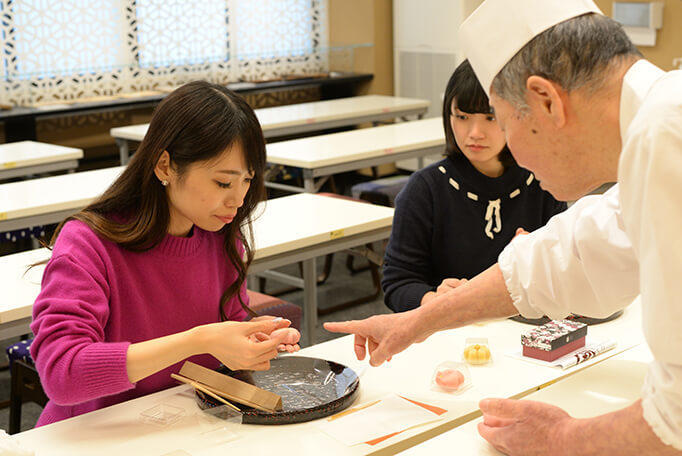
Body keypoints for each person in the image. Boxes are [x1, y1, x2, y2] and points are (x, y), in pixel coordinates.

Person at [325, 1, 682, 454]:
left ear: (546, 101)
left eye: (502, 119)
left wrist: (559, 439)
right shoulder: (659, 124)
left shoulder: (667, 135)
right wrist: (417, 322)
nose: (501, 144)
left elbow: (675, 420)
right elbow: (566, 256)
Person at [30, 81, 300, 426]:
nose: (238, 199)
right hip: (94, 431)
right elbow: (62, 374)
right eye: (223, 183)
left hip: (178, 422)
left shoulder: (220, 235)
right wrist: (199, 340)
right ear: (164, 166)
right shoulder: (88, 242)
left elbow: (225, 333)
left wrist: (252, 337)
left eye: (247, 181)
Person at [382, 60, 565, 312]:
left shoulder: (542, 181)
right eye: (462, 117)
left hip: (526, 328)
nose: (475, 132)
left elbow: (565, 267)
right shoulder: (425, 189)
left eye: (490, 117)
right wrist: (433, 298)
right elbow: (398, 283)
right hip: (453, 334)